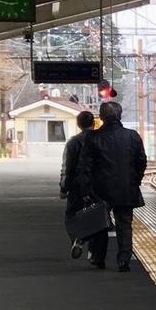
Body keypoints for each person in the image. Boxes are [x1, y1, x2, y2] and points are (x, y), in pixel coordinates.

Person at [83, 99, 148, 272]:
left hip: (99, 190)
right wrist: (135, 180)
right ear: (119, 115)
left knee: (100, 225)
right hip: (126, 188)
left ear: (102, 117)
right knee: (125, 224)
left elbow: (86, 167)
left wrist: (86, 190)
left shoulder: (92, 137)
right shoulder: (132, 136)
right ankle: (124, 260)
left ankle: (98, 258)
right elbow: (141, 161)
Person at [59, 108, 97, 258]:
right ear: (93, 123)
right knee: (97, 218)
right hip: (98, 186)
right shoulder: (100, 139)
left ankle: (77, 239)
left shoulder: (73, 142)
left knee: (71, 215)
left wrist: (64, 187)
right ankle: (94, 253)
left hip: (77, 186)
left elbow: (67, 167)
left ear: (78, 124)